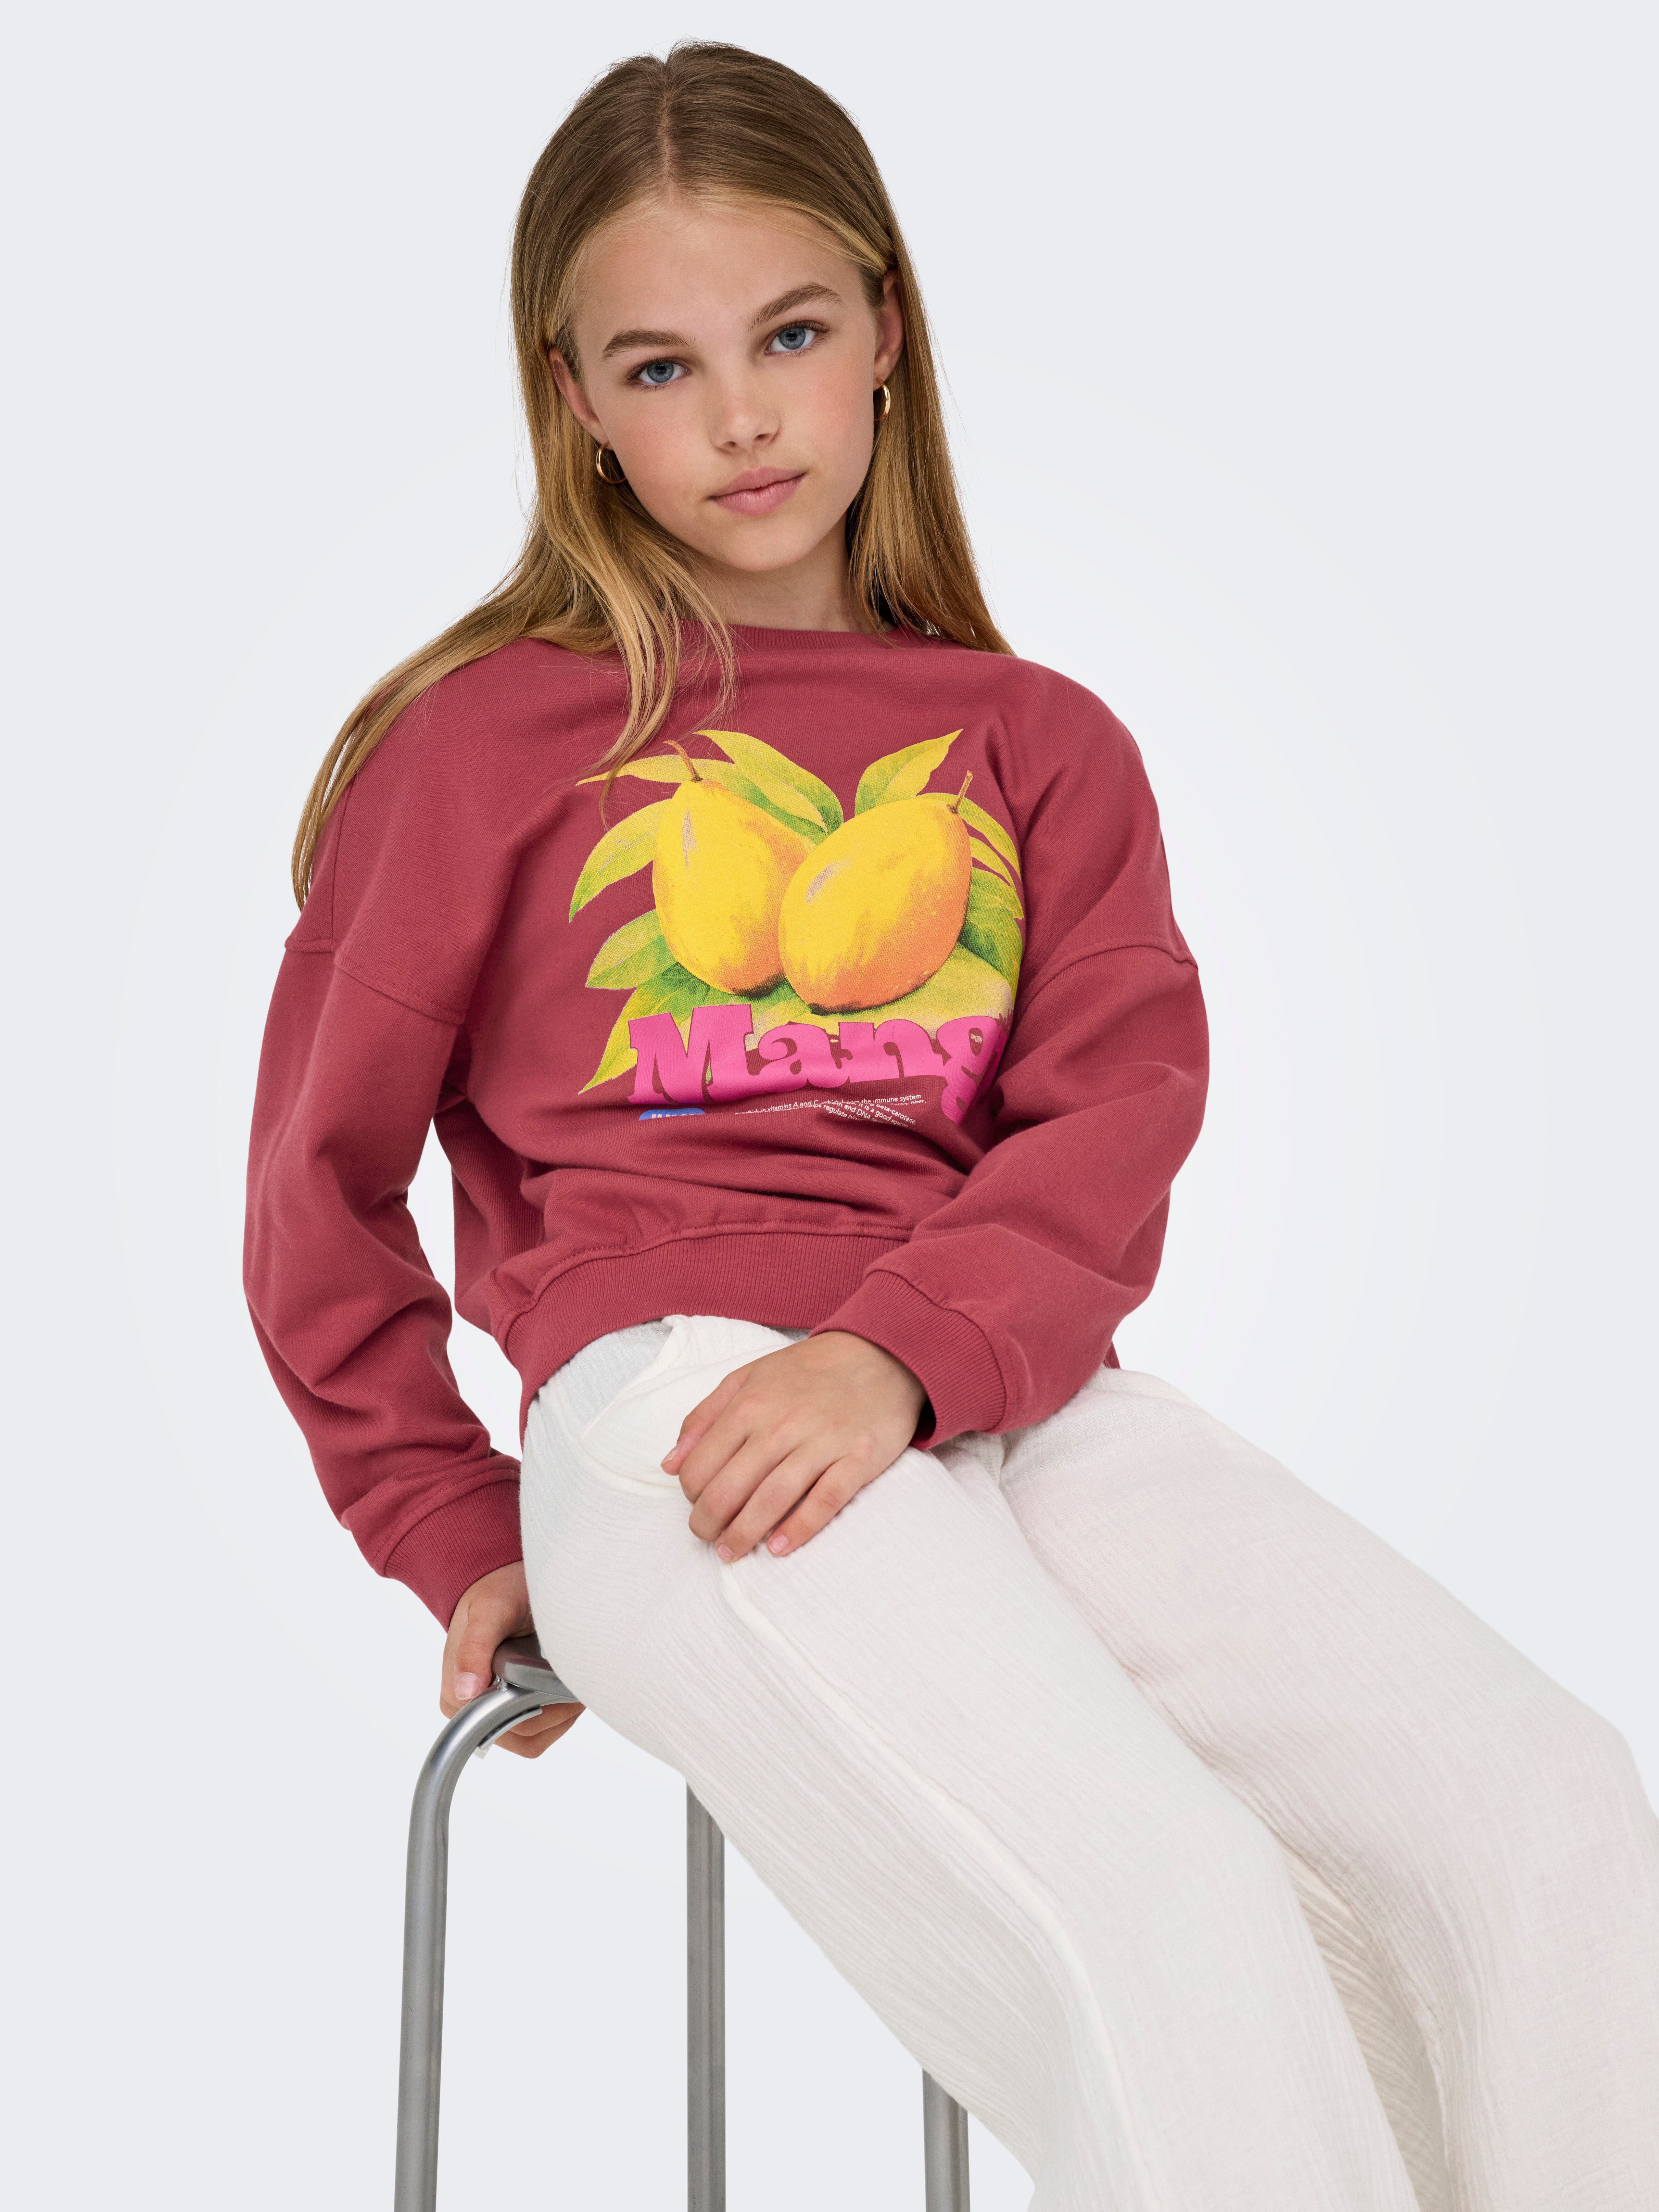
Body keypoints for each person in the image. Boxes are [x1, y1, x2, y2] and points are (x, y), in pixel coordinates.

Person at [243, 41, 1659, 2211]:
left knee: (1549, 1806)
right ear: (575, 398)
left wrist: (904, 1353)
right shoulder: (485, 747)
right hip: (681, 1415)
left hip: (1002, 1390)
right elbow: (315, 1194)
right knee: (1164, 1896)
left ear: (887, 331)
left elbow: (1115, 1107)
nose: (743, 417)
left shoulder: (1035, 739)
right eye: (663, 365)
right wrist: (457, 1523)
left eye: (793, 335)